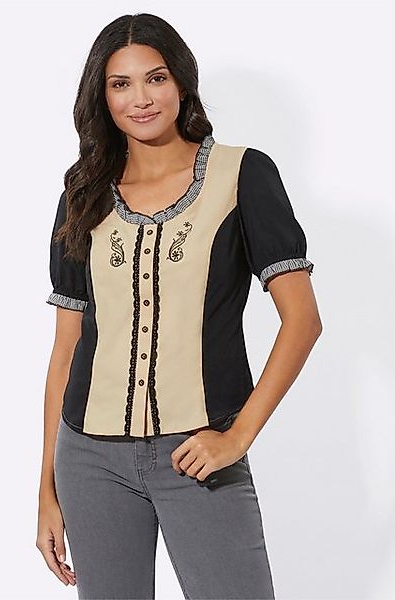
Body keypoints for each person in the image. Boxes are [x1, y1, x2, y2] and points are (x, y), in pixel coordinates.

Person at [36, 12, 322, 600]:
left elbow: (303, 321)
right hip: (89, 459)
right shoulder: (83, 194)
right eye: (121, 84)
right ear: (102, 97)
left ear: (182, 82)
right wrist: (48, 487)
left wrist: (237, 437)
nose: (141, 99)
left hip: (198, 451)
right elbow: (66, 348)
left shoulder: (242, 175)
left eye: (156, 78)